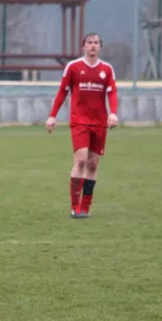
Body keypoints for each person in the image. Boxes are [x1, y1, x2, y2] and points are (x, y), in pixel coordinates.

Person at [45, 33, 118, 219]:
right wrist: (52, 116)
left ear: (100, 46)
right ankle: (75, 207)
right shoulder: (74, 67)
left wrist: (113, 113)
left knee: (93, 164)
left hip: (99, 123)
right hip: (79, 121)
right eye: (89, 43)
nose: (93, 46)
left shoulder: (107, 69)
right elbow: (62, 91)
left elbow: (112, 93)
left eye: (96, 43)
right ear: (83, 46)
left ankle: (85, 207)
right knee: (81, 161)